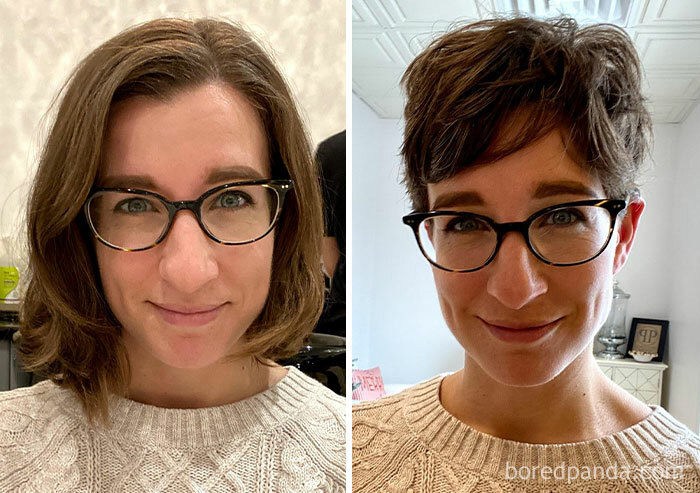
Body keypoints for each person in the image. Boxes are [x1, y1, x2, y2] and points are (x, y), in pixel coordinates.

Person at [352, 16, 700, 492]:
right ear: (433, 236)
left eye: (561, 217)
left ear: (622, 234)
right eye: (466, 223)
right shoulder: (348, 454)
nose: (515, 290)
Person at [0, 18, 345, 492]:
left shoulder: (348, 457)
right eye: (134, 204)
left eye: (231, 199)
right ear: (78, 231)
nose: (188, 272)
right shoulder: (10, 453)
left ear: (283, 221)